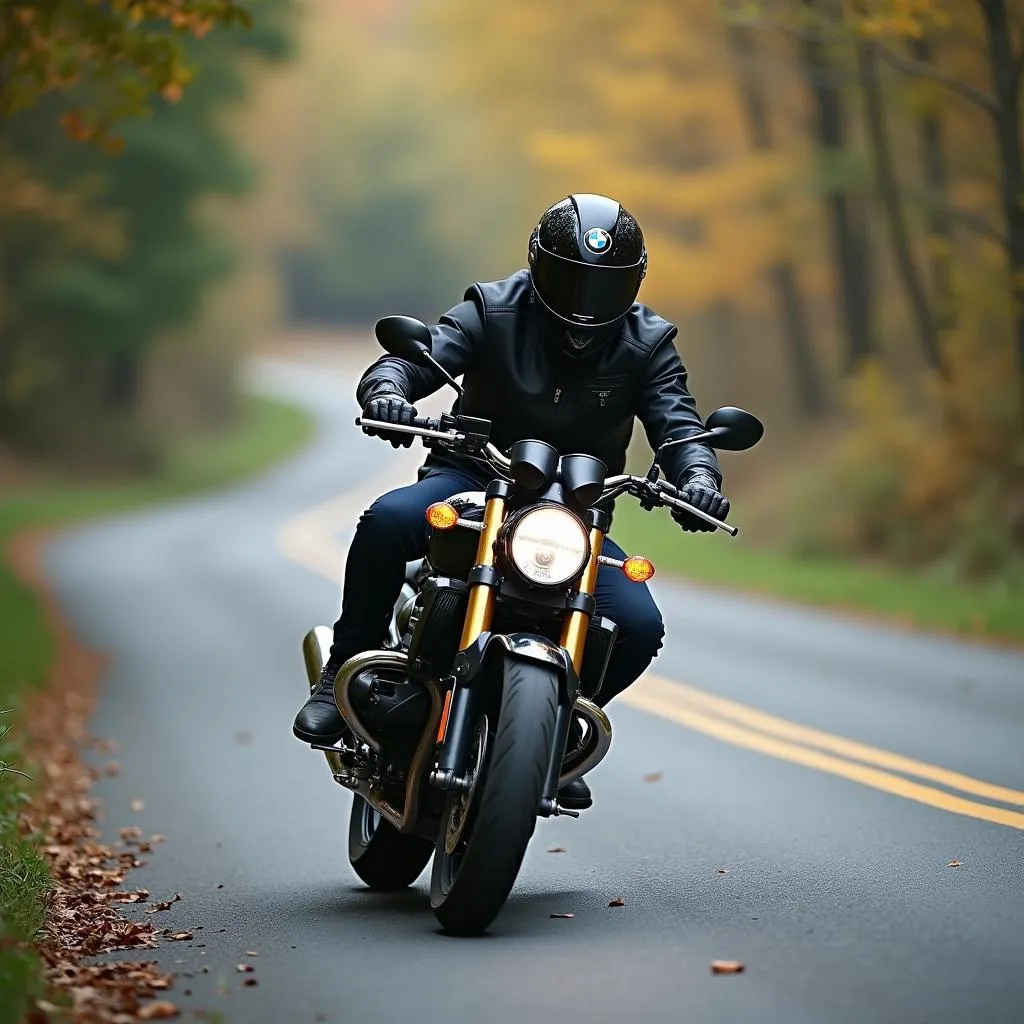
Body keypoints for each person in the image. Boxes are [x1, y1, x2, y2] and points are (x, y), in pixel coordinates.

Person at [293, 193, 729, 809]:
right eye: (573, 281)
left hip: (573, 518)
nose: (586, 302)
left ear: (631, 285)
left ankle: (552, 733)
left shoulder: (648, 343)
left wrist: (699, 479)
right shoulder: (493, 308)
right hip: (472, 483)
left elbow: (679, 426)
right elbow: (417, 360)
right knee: (387, 520)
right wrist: (389, 388)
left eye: (603, 287)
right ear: (541, 269)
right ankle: (341, 674)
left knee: (638, 624)